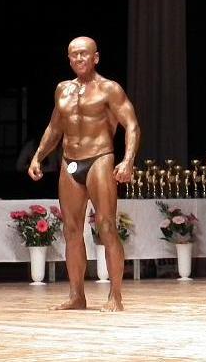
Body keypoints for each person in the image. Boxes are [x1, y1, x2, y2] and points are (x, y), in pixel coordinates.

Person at [28, 36, 140, 312]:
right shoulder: (62, 90)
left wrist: (127, 161)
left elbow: (132, 125)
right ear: (69, 59)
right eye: (74, 54)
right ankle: (77, 295)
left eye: (84, 54)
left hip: (100, 158)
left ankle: (115, 296)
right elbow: (55, 127)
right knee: (71, 230)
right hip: (70, 162)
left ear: (95, 57)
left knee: (106, 226)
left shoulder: (109, 89)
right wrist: (38, 156)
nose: (79, 58)